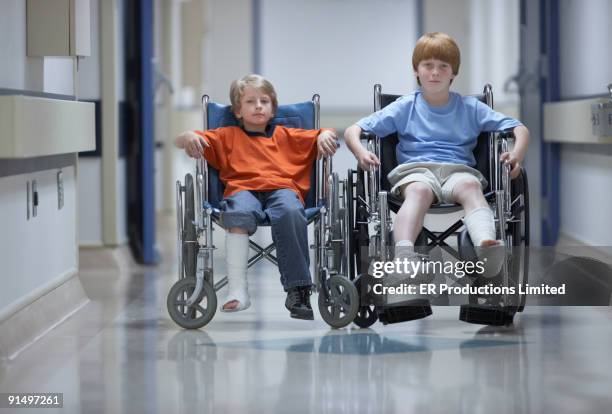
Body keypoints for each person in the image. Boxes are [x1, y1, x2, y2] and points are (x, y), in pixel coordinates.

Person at [344, 32, 530, 305]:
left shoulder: (470, 107)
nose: (435, 72)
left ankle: (486, 246)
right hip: (416, 171)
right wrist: (360, 152)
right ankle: (404, 258)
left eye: (443, 66)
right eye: (428, 65)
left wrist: (517, 154)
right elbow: (354, 130)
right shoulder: (405, 106)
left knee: (471, 186)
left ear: (453, 73)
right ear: (416, 70)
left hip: (458, 171)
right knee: (418, 191)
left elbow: (519, 128)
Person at [175, 74, 338, 320]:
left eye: (264, 101)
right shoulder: (225, 135)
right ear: (238, 110)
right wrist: (188, 136)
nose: (259, 106)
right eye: (251, 101)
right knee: (238, 211)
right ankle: (238, 289)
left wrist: (325, 134)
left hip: (282, 190)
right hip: (242, 190)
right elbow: (181, 140)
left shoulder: (286, 135)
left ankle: (298, 290)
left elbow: (324, 133)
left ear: (273, 109)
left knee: (291, 211)